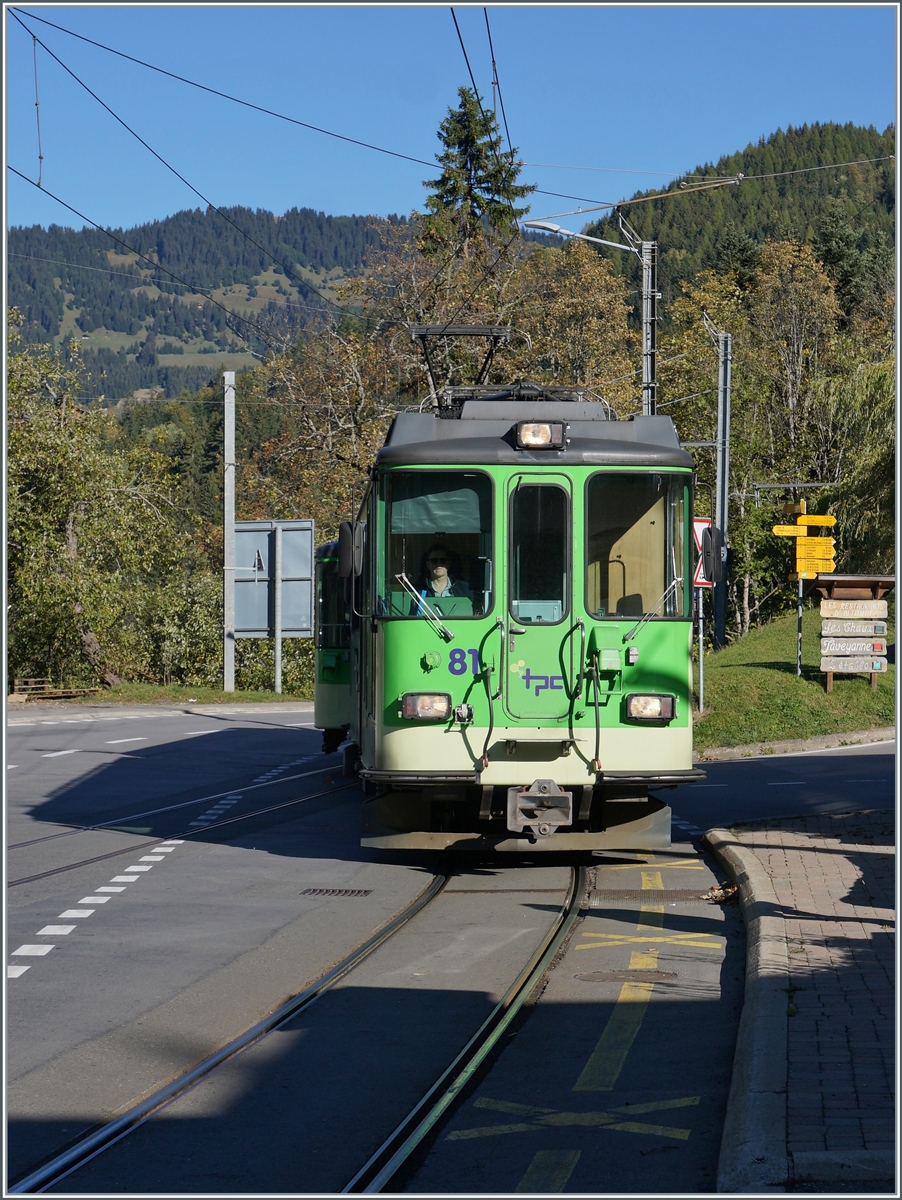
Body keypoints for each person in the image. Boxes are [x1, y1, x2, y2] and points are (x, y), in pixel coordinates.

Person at [413, 543, 474, 612]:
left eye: (443, 560)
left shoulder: (465, 588)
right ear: (428, 564)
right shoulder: (417, 590)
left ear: (448, 564)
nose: (438, 564)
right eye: (434, 561)